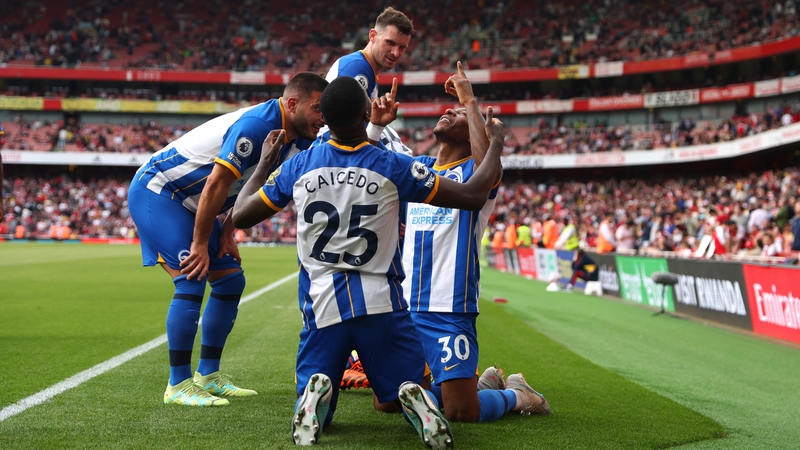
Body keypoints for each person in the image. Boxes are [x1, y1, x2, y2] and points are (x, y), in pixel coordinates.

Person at [231, 76, 506, 449]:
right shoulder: (393, 166)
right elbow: (474, 195)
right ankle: (413, 393)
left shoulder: (299, 166)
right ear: (366, 114)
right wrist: (497, 142)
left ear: (325, 119)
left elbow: (241, 215)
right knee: (404, 381)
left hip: (321, 304)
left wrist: (264, 163)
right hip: (381, 303)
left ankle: (315, 396)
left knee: (316, 391)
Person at [127, 72, 328, 407]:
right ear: (292, 104)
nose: (323, 118)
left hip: (195, 205)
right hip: (161, 190)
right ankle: (178, 384)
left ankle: (208, 375)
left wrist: (225, 233)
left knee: (231, 280)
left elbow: (250, 187)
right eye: (318, 108)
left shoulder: (300, 138)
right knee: (193, 275)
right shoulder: (256, 126)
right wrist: (199, 245)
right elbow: (217, 184)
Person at [401, 63, 550, 425]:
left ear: (473, 136)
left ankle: (518, 395)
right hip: (404, 305)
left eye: (457, 114)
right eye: (450, 109)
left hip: (449, 306)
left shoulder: (477, 176)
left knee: (462, 413)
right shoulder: (418, 168)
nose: (447, 110)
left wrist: (469, 101)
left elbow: (488, 165)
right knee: (389, 402)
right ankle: (476, 385)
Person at [321, 6, 414, 154]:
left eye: (402, 47)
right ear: (372, 36)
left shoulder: (366, 70)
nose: (396, 53)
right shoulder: (357, 68)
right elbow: (350, 140)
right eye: (390, 43)